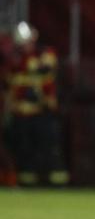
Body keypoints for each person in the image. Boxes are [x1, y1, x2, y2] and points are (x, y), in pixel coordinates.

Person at [5, 22, 68, 186]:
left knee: (49, 148)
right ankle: (27, 183)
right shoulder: (14, 59)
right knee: (24, 151)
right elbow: (10, 82)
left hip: (43, 110)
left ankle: (57, 182)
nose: (26, 46)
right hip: (21, 113)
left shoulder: (44, 54)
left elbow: (47, 69)